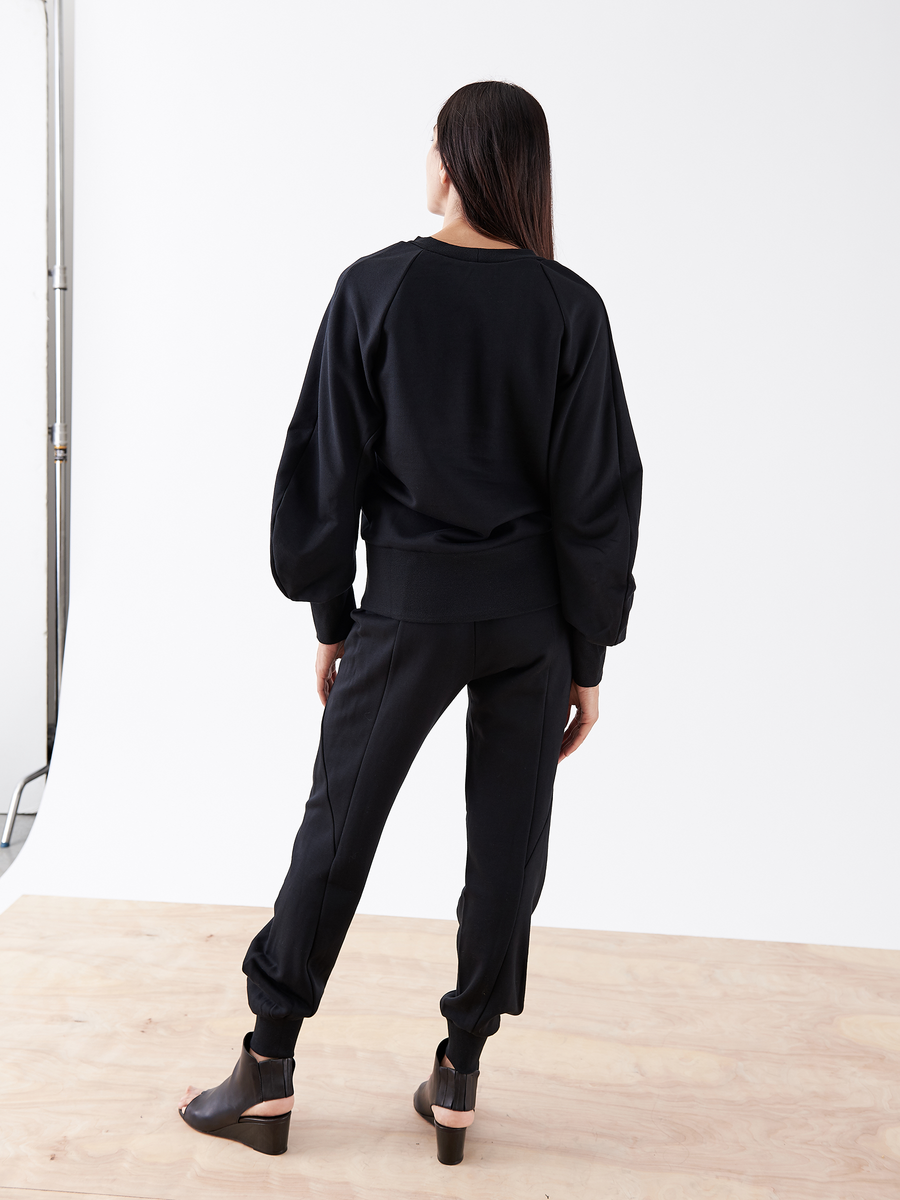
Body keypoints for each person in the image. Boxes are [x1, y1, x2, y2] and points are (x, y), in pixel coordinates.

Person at [178, 79, 642, 1167]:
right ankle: (462, 1068)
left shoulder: (375, 288)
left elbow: (323, 466)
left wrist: (333, 616)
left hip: (408, 613)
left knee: (337, 829)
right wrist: (585, 653)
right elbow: (598, 498)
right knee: (509, 846)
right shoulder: (571, 307)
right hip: (531, 623)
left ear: (449, 161)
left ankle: (268, 1067)